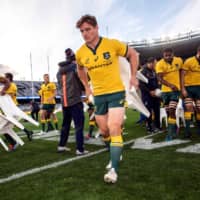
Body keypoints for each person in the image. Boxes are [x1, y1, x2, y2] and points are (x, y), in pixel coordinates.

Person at [75, 14, 138, 183]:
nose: (85, 33)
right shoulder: (80, 53)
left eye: (88, 29)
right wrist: (87, 87)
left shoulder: (112, 44)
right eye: (82, 31)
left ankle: (113, 170)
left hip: (117, 92)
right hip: (99, 96)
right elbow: (80, 70)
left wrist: (133, 76)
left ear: (96, 28)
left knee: (114, 126)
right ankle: (115, 151)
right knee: (104, 131)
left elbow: (133, 54)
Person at [56, 48, 87, 155]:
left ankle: (61, 145)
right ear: (73, 59)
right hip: (75, 100)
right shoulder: (74, 68)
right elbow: (82, 81)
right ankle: (80, 149)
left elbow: (60, 86)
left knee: (65, 125)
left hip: (64, 101)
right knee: (79, 125)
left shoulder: (59, 72)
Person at [156, 48, 183, 141]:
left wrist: (182, 87)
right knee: (168, 112)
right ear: (163, 56)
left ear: (173, 54)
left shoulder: (179, 60)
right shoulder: (159, 64)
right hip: (165, 91)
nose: (167, 57)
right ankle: (175, 127)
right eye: (165, 55)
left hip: (175, 91)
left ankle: (170, 134)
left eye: (169, 55)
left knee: (172, 109)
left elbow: (181, 72)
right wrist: (170, 85)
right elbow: (159, 78)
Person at [180, 45, 200, 138]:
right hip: (188, 88)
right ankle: (187, 131)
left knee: (199, 108)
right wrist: (183, 88)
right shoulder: (189, 61)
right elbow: (182, 75)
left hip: (199, 88)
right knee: (188, 109)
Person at [139, 57, 162, 134]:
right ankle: (149, 128)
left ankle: (158, 126)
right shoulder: (143, 72)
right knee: (148, 112)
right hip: (147, 95)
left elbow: (156, 81)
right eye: (155, 63)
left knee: (157, 110)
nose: (156, 65)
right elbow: (141, 84)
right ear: (151, 63)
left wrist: (157, 89)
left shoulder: (154, 71)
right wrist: (149, 91)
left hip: (155, 94)